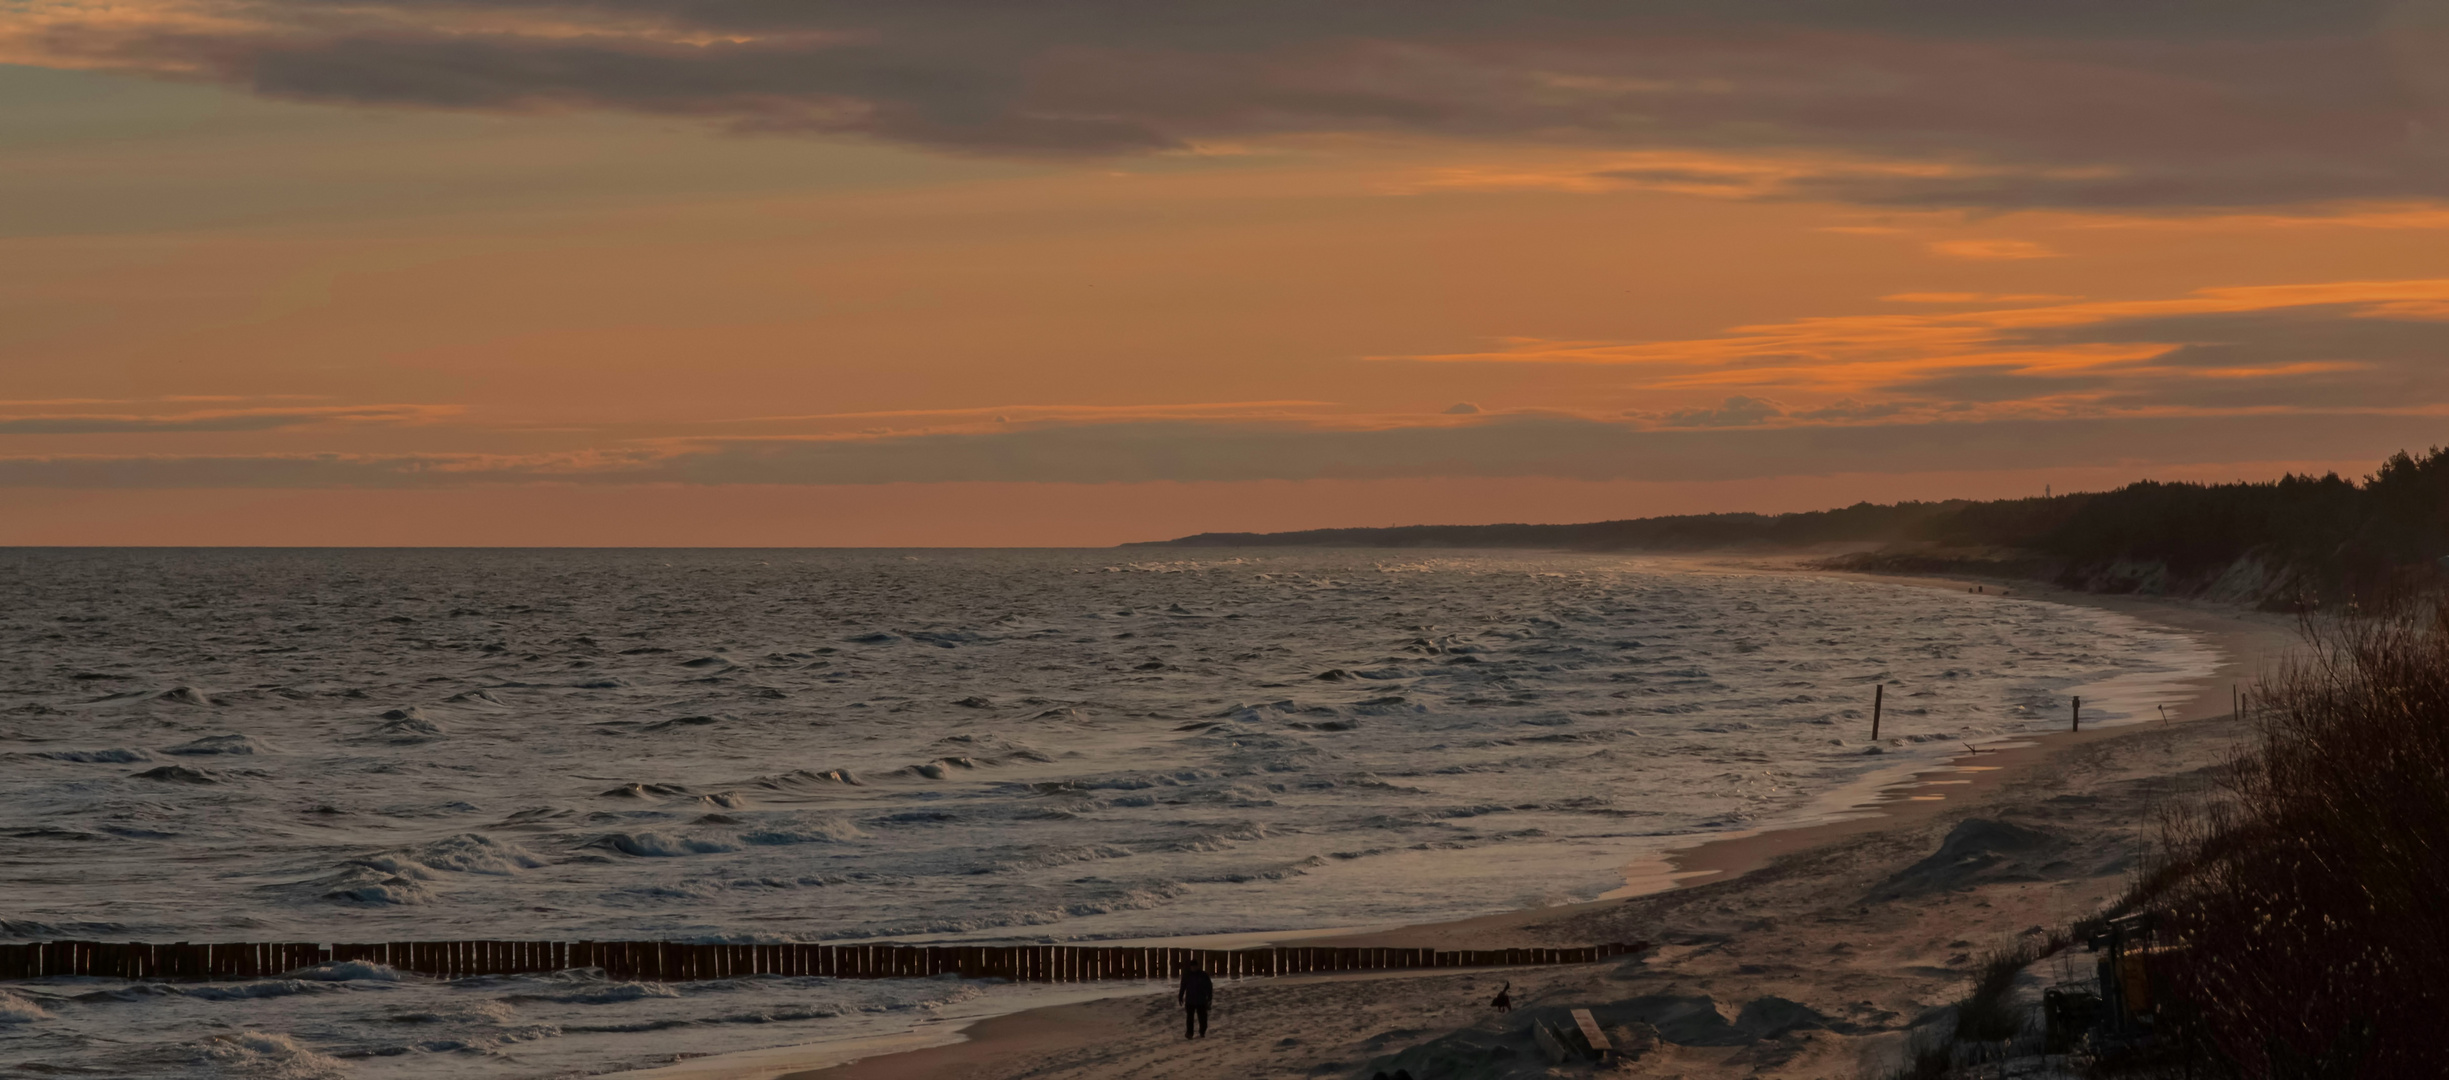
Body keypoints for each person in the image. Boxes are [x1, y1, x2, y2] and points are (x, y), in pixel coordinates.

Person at [1178, 961, 1215, 1038]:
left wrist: (1209, 998)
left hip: (1201, 1000)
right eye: (1192, 966)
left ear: (1198, 966)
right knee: (1189, 1018)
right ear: (1190, 967)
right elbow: (1183, 987)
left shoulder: (1203, 975)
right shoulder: (1187, 975)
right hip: (1190, 1000)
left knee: (1203, 1018)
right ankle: (1189, 1033)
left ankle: (1202, 1032)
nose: (1194, 968)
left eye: (1195, 966)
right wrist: (1180, 997)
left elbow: (1209, 987)